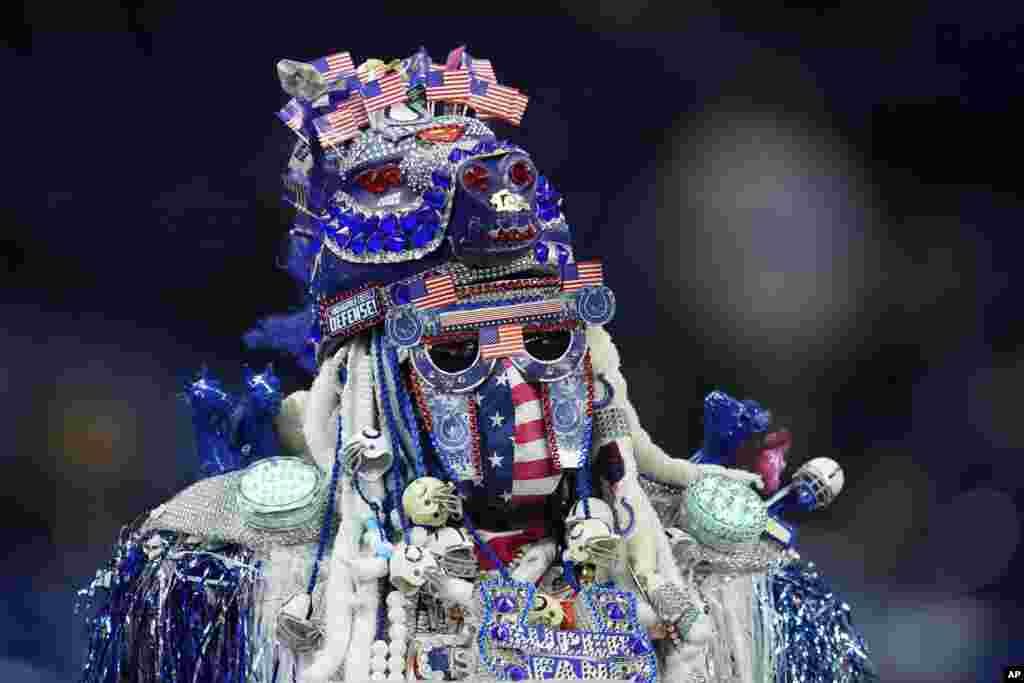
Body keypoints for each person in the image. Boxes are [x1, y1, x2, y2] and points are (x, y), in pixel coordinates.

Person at [78, 46, 876, 683]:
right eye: (456, 354)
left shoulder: (722, 579)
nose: (519, 390)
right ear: (371, 385)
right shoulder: (241, 573)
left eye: (548, 342)